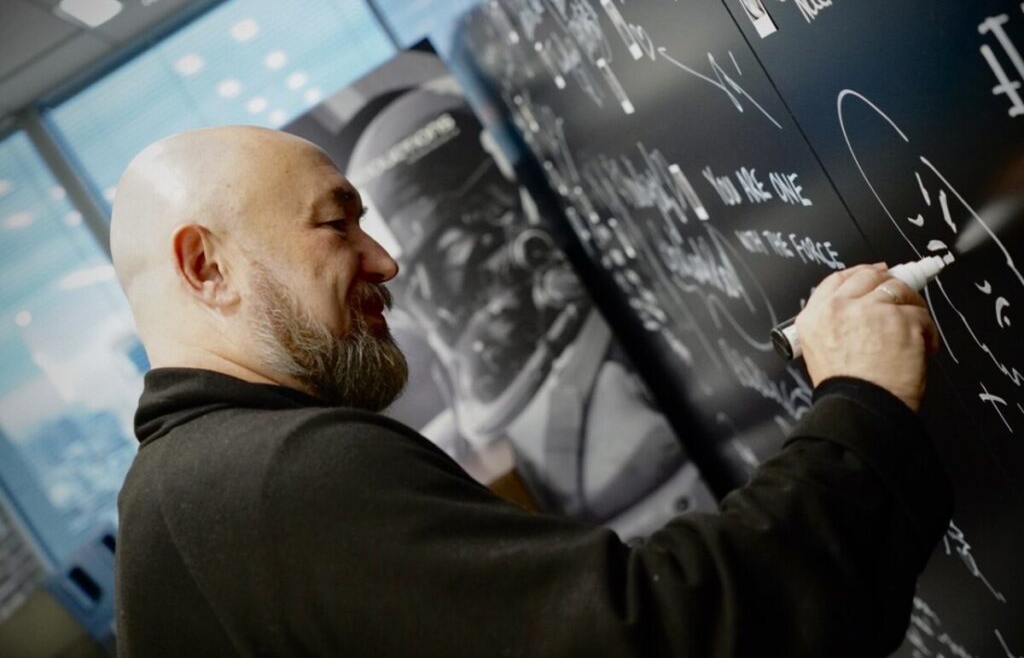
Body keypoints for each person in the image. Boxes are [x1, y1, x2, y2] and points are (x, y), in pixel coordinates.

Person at [111, 125, 952, 657]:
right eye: (337, 224)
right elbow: (665, 636)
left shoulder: (177, 495)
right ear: (207, 267)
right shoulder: (282, 478)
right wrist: (860, 401)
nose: (386, 263)